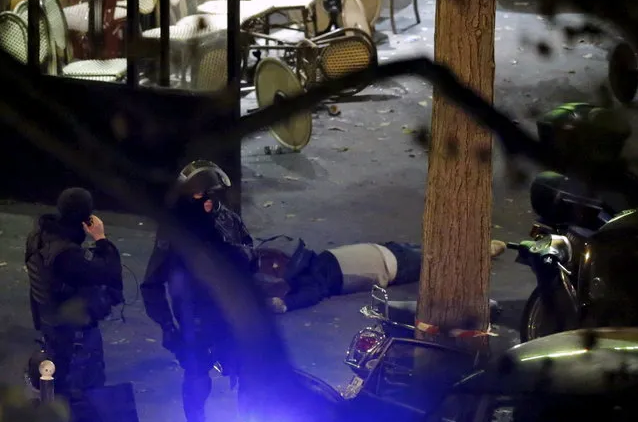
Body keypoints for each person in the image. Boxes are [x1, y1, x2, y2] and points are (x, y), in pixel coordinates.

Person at [140, 160, 254, 422]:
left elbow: (251, 258)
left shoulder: (225, 219)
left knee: (248, 376)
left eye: (213, 197)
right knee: (196, 381)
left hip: (231, 319)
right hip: (195, 323)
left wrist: (230, 253)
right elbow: (151, 285)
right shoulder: (174, 232)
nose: (209, 203)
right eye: (202, 197)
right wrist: (168, 328)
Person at [24, 187, 123, 420]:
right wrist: (101, 239)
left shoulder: (39, 237)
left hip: (49, 327)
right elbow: (110, 274)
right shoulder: (67, 256)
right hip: (75, 338)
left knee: (59, 395)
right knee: (84, 400)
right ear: (86, 217)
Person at [255, 239, 506, 314]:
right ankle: (480, 247)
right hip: (387, 254)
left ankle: (481, 250)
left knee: (442, 257)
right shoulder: (317, 260)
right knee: (437, 252)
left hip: (393, 262)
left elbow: (311, 294)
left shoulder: (314, 275)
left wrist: (285, 304)